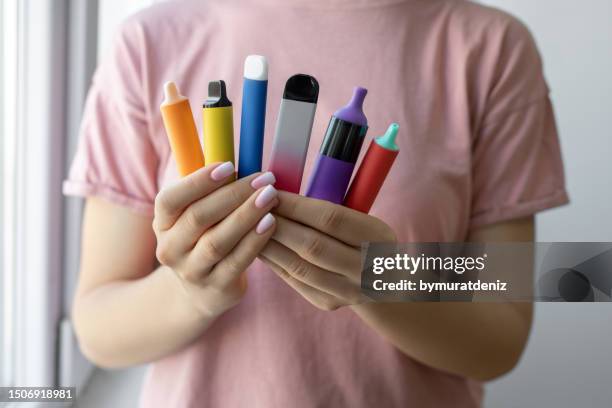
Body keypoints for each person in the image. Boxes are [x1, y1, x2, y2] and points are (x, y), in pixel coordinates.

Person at [64, 0, 569, 406]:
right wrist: (193, 293)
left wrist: (386, 281)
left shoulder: (492, 47)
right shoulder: (149, 42)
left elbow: (503, 331)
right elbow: (98, 329)